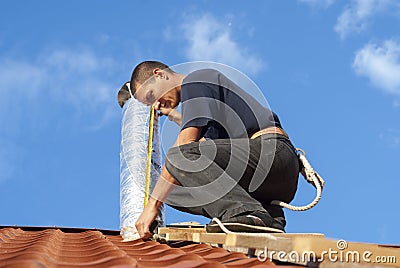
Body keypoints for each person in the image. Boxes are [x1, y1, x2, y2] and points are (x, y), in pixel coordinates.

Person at [130, 61, 299, 239]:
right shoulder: (202, 100)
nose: (156, 105)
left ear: (159, 74)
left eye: (151, 96)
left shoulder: (195, 81)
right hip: (266, 183)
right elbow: (204, 154)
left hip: (272, 154)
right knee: (173, 191)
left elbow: (186, 147)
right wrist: (177, 117)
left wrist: (152, 206)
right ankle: (265, 217)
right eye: (150, 105)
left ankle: (242, 212)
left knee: (177, 158)